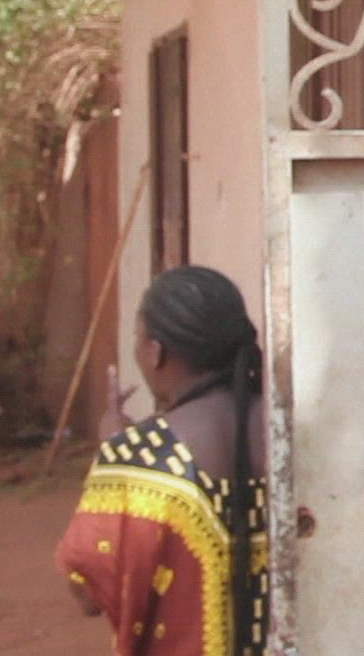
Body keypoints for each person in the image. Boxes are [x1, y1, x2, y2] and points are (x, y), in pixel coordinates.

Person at [58, 265, 269, 655]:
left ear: (155, 353)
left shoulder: (138, 457)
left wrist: (114, 454)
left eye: (138, 339)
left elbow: (87, 592)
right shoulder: (292, 433)